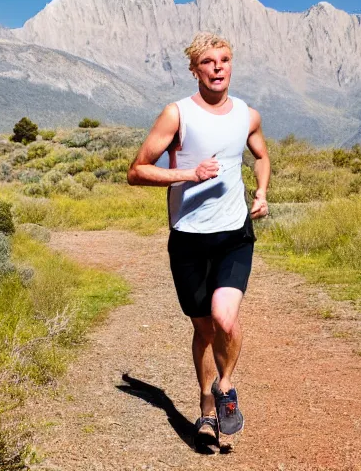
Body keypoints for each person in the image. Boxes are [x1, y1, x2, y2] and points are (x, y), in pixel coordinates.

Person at [127, 32, 270, 449]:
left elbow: (261, 155)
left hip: (234, 234)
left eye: (224, 59)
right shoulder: (177, 115)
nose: (218, 67)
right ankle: (206, 408)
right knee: (205, 330)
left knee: (226, 319)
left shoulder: (247, 115)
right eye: (208, 62)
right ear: (195, 70)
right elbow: (137, 171)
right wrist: (189, 174)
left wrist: (260, 192)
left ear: (231, 65)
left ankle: (225, 390)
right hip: (188, 238)